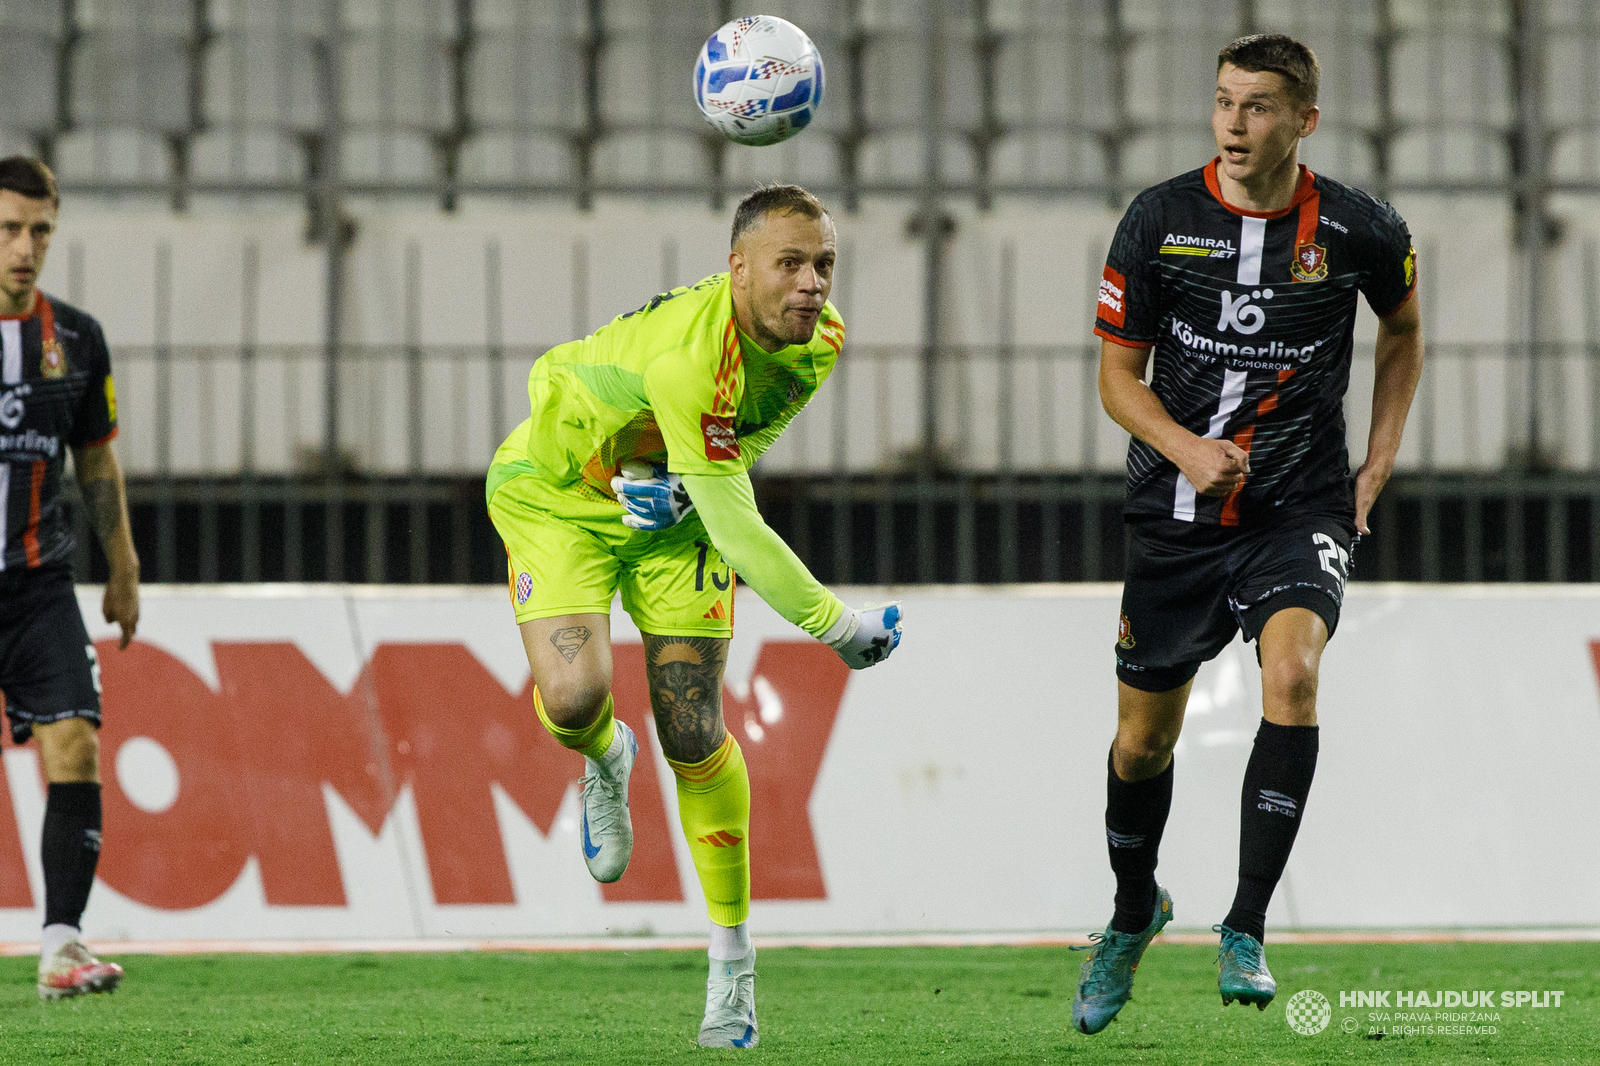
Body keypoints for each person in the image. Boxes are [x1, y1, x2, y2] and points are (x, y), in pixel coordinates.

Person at [486, 183, 902, 1049]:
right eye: (790, 264)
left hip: (671, 514)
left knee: (692, 725)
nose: (813, 284)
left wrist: (684, 478)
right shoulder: (685, 359)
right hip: (558, 497)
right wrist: (835, 627)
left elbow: (741, 443)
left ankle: (732, 965)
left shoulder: (818, 342)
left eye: (824, 263)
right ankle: (605, 757)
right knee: (572, 701)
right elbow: (741, 524)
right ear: (737, 269)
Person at [1075, 34, 1424, 1034]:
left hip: (1298, 506)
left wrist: (1377, 463)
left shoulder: (1358, 227)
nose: (1234, 123)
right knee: (1141, 746)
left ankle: (1245, 924)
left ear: (1302, 120)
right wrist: (1185, 448)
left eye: (1259, 106)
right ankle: (1133, 912)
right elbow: (1116, 379)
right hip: (1176, 518)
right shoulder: (1158, 220)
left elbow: (1403, 331)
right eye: (1224, 102)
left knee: (1293, 679)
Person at [0, 157, 140, 1000]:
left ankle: (61, 948)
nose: (25, 248)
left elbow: (96, 461)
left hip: (39, 584)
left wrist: (122, 567)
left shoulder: (78, 340)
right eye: (9, 229)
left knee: (76, 746)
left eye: (40, 231)